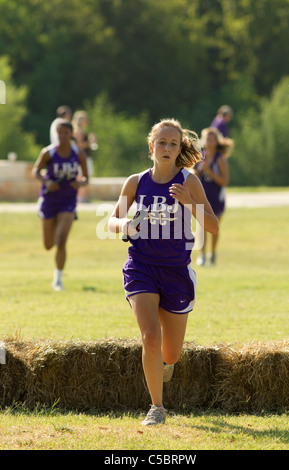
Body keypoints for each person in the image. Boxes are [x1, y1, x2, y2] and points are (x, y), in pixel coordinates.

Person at [108, 118, 219, 425]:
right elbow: (111, 222)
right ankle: (156, 407)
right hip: (141, 267)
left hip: (176, 272)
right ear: (151, 147)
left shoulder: (190, 181)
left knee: (170, 353)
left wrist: (190, 203)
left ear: (179, 147)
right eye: (162, 143)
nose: (167, 148)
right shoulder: (135, 182)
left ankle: (166, 364)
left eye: (173, 144)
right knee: (150, 338)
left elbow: (213, 225)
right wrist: (127, 225)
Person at [33, 120, 88, 291]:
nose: (63, 136)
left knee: (62, 240)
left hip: (68, 201)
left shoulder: (78, 153)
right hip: (50, 200)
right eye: (60, 133)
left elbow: (86, 178)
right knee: (49, 245)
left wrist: (79, 184)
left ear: (71, 134)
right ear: (56, 134)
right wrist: (47, 182)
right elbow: (36, 171)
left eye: (66, 133)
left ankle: (58, 280)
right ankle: (51, 224)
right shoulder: (48, 153)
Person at [194, 127, 233, 266]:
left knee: (214, 227)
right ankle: (202, 255)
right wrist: (197, 173)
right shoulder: (200, 156)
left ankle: (213, 253)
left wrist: (209, 171)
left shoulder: (220, 159)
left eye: (211, 139)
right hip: (201, 196)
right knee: (201, 225)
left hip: (216, 197)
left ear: (216, 141)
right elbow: (194, 174)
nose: (208, 142)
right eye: (206, 139)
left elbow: (225, 181)